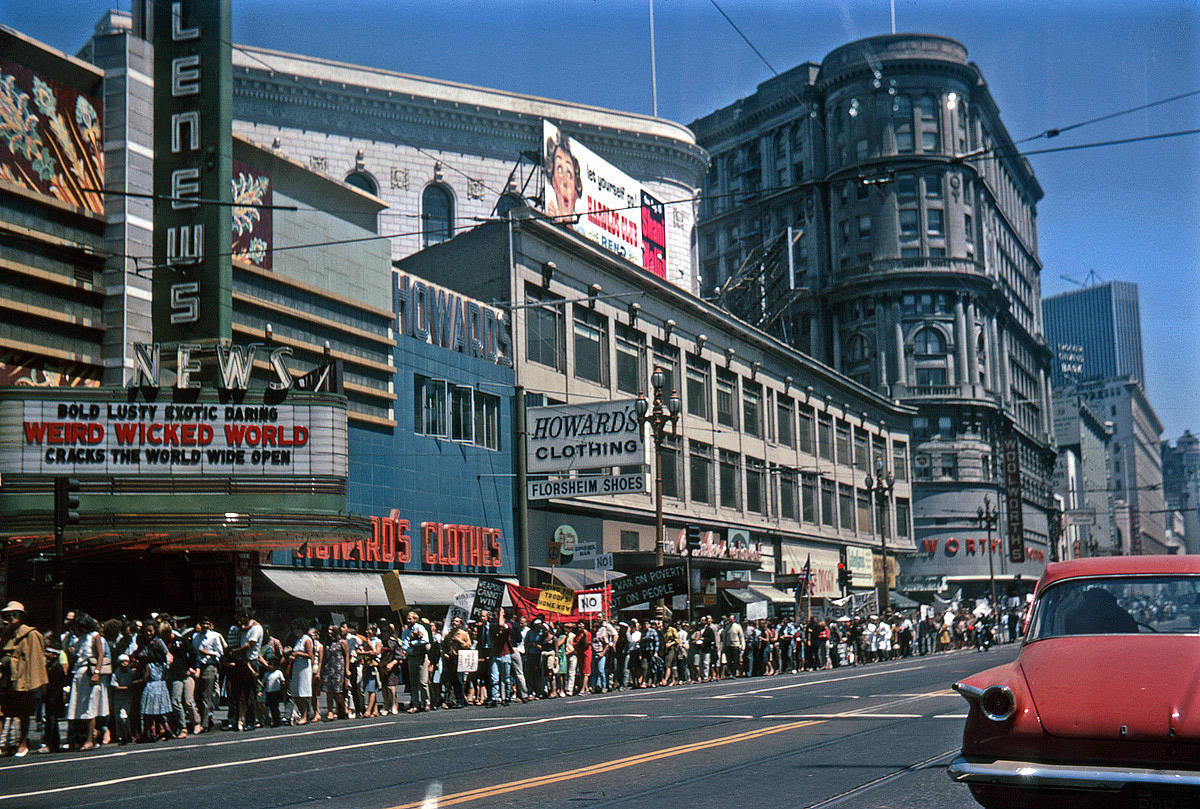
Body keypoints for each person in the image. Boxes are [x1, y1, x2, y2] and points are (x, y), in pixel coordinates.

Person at [0, 602, 48, 757]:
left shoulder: (31, 634)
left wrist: (37, 684)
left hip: (23, 680)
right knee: (5, 712)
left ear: (20, 616)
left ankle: (22, 743)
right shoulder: (5, 634)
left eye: (14, 614)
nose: (10, 617)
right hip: (7, 679)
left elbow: (36, 661)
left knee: (24, 713)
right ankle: (8, 744)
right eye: (8, 615)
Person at [544, 133, 582, 221]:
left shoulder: (582, 231)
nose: (565, 183)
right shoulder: (550, 215)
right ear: (554, 182)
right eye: (559, 170)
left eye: (569, 174)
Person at [286, 619, 315, 725]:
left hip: (304, 669)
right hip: (297, 668)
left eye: (297, 629)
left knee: (302, 692)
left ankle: (304, 715)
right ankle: (302, 713)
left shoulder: (307, 639)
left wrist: (297, 653)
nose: (295, 631)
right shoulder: (298, 640)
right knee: (295, 692)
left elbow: (310, 655)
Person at [401, 611, 430, 712]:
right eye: (408, 619)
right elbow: (404, 645)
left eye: (410, 619)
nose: (408, 621)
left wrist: (413, 643)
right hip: (411, 657)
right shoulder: (405, 631)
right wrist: (410, 650)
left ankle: (426, 702)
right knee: (413, 683)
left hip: (421, 657)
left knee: (423, 682)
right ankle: (415, 704)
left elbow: (425, 640)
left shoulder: (420, 628)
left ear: (415, 619)